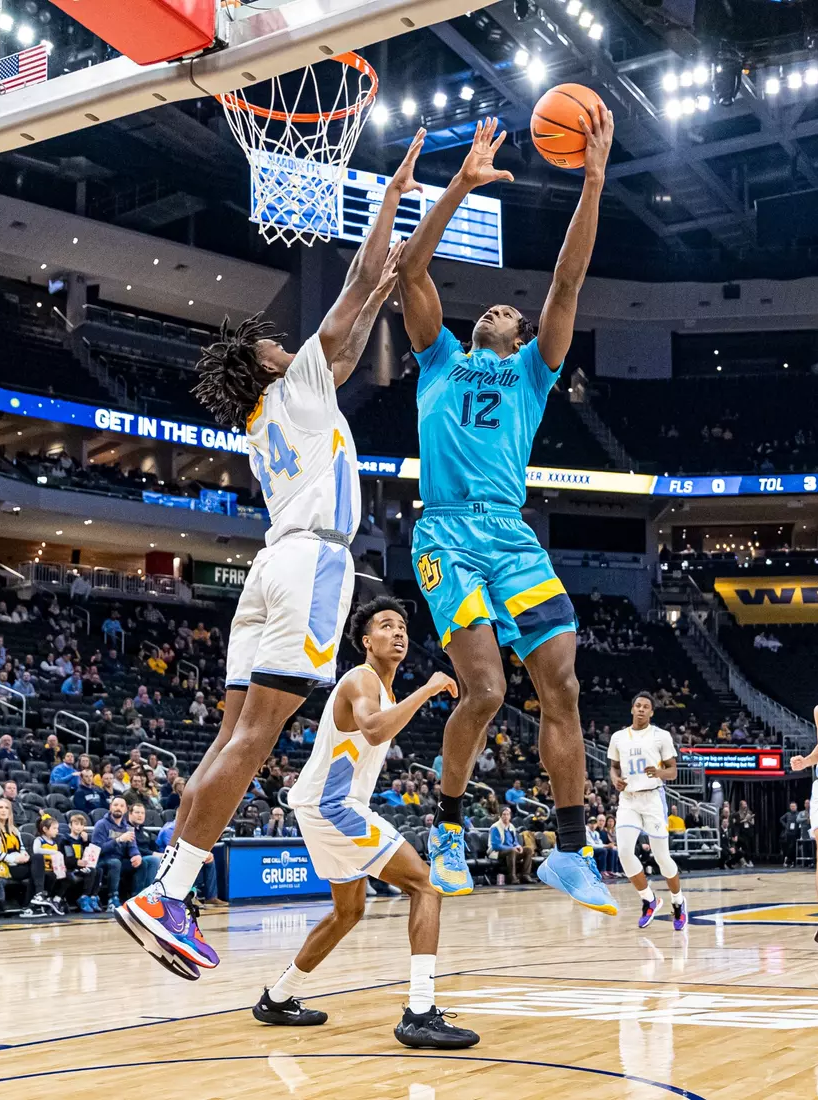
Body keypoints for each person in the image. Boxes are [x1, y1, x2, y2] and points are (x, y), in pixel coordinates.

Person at [116, 134, 428, 972]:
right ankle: (169, 894)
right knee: (253, 741)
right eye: (275, 348)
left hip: (267, 567)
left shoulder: (269, 416)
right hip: (311, 565)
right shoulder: (291, 388)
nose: (288, 347)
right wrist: (391, 197)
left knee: (228, 742)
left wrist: (384, 285)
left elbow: (359, 322)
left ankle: (165, 887)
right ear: (266, 368)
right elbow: (357, 289)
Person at [396, 112, 616, 914]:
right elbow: (409, 271)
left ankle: (568, 850)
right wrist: (458, 185)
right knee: (483, 690)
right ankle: (448, 828)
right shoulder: (438, 359)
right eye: (483, 307)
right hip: (446, 528)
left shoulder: (531, 370)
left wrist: (591, 182)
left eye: (504, 311)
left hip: (511, 534)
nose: (492, 307)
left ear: (519, 333)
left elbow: (566, 279)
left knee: (561, 687)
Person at [246, 597, 477, 1049]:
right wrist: (428, 689)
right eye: (386, 626)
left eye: (402, 626)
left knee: (349, 911)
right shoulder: (361, 679)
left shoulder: (381, 688)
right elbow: (373, 729)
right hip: (335, 807)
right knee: (426, 886)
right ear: (366, 641)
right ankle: (420, 1012)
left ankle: (278, 998)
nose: (398, 632)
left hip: (321, 807)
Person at [608, 693, 687, 931]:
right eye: (638, 706)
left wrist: (659, 772)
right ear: (632, 709)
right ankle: (649, 899)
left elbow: (673, 771)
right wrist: (615, 780)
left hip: (653, 797)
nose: (641, 710)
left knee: (662, 857)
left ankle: (678, 901)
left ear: (652, 712)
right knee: (623, 852)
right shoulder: (618, 737)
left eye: (646, 707)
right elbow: (613, 767)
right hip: (629, 799)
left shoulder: (661, 736)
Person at [91, 797, 143, 910]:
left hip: (119, 861)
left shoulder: (128, 828)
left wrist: (136, 855)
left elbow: (133, 847)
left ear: (125, 810)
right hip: (102, 860)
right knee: (115, 863)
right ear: (110, 808)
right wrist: (118, 840)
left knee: (148, 861)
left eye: (121, 806)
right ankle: (112, 898)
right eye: (115, 805)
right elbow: (97, 849)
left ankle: (139, 897)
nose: (118, 808)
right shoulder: (101, 824)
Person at [31, 814, 70, 916]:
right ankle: (46, 898)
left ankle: (56, 899)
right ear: (45, 829)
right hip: (43, 870)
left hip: (54, 869)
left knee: (67, 878)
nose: (57, 831)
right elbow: (36, 850)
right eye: (54, 828)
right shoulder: (39, 840)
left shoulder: (55, 843)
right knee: (51, 876)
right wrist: (52, 852)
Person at [63, 812, 100, 912]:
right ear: (70, 825)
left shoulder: (83, 840)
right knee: (91, 871)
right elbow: (66, 858)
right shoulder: (65, 840)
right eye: (76, 824)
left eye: (81, 825)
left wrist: (85, 842)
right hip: (72, 868)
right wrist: (77, 862)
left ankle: (93, 897)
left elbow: (89, 854)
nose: (79, 827)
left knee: (99, 870)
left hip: (82, 866)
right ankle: (84, 897)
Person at [489, 806, 534, 885]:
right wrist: (512, 848)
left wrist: (518, 846)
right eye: (504, 814)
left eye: (507, 814)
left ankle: (525, 875)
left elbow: (515, 842)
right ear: (500, 816)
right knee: (512, 851)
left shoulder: (511, 826)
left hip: (511, 850)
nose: (506, 816)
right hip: (497, 852)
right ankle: (512, 877)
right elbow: (495, 845)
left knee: (528, 849)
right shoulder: (495, 827)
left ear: (510, 816)